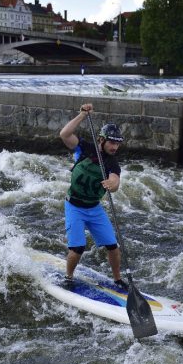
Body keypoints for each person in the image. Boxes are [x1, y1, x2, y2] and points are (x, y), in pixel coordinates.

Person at [59, 103, 126, 287]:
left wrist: (113, 185)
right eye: (112, 142)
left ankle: (118, 279)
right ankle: (68, 277)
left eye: (118, 143)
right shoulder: (85, 149)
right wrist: (82, 115)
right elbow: (64, 134)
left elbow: (115, 182)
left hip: (94, 208)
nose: (115, 147)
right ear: (101, 140)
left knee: (113, 246)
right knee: (78, 248)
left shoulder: (113, 163)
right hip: (74, 206)